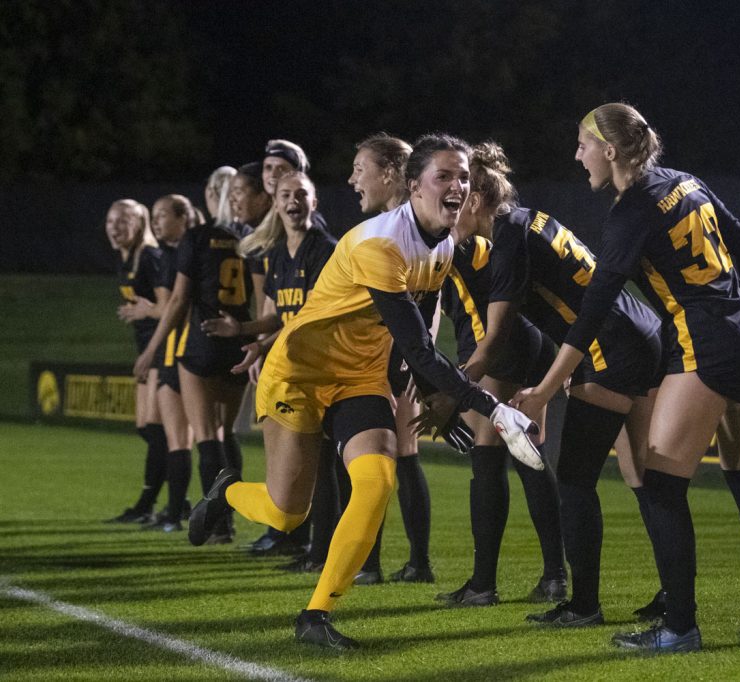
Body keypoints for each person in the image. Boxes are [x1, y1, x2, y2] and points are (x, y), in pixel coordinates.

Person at [187, 134, 542, 651]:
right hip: (301, 372)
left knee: (377, 480)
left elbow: (416, 335)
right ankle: (227, 493)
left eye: (463, 176)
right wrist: (492, 409)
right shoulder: (381, 243)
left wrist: (438, 400)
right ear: (413, 185)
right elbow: (421, 348)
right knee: (289, 513)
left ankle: (316, 614)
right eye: (444, 175)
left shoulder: (443, 242)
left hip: (360, 377)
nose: (459, 185)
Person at [522, 102, 740, 653]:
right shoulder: (684, 182)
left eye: (583, 144)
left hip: (709, 347)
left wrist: (546, 389)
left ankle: (680, 627)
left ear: (611, 150)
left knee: (662, 487)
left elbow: (593, 310)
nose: (578, 156)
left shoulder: (631, 210)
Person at [439, 143, 662, 628]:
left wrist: (454, 392)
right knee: (646, 474)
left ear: (476, 200)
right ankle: (673, 594)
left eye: (456, 203)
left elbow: (494, 339)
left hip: (608, 350)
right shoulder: (529, 219)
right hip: (641, 331)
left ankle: (584, 606)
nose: (450, 213)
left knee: (578, 480)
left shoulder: (508, 239)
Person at [432, 142, 567, 607]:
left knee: (489, 456)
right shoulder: (466, 228)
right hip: (522, 343)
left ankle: (484, 584)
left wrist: (454, 387)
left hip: (500, 349)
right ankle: (554, 577)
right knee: (528, 455)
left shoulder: (445, 229)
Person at [203, 171, 339, 568]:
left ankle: (319, 551)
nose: (293, 200)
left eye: (301, 194)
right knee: (296, 468)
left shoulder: (325, 250)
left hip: (321, 368)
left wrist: (262, 344)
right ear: (276, 204)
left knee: (322, 465)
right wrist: (243, 330)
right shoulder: (279, 253)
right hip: (290, 369)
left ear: (314, 202)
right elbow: (281, 314)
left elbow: (310, 318)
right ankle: (301, 545)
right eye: (285, 195)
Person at [134, 180, 254, 545]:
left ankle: (216, 524)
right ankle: (231, 520)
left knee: (205, 438)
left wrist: (152, 349)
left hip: (202, 345)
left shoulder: (198, 237)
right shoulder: (253, 237)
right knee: (228, 433)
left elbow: (178, 302)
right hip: (240, 341)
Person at [347, 133, 437, 585]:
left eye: (360, 169)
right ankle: (410, 563)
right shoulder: (409, 225)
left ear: (389, 173)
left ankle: (372, 564)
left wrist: (414, 363)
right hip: (401, 356)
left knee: (385, 458)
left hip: (387, 358)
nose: (352, 179)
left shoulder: (397, 230)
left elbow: (425, 305)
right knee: (400, 456)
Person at [138, 194, 202, 532]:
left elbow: (176, 305)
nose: (157, 221)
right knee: (172, 435)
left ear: (184, 216)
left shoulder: (186, 252)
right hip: (177, 351)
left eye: (163, 214)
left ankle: (178, 511)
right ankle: (176, 509)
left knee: (184, 438)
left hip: (183, 351)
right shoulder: (173, 253)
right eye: (154, 215)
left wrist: (150, 346)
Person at [104, 199, 168, 525]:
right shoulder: (125, 259)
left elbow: (169, 307)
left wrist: (146, 311)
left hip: (162, 348)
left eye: (121, 221)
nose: (113, 228)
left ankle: (149, 503)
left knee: (157, 430)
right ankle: (176, 499)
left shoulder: (151, 257)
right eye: (110, 222)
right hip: (146, 347)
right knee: (146, 428)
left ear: (139, 222)